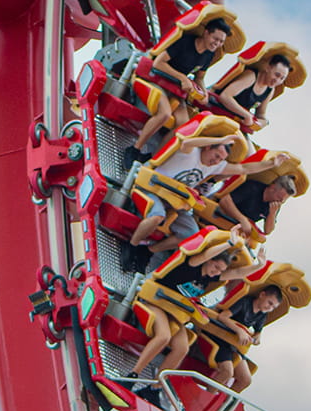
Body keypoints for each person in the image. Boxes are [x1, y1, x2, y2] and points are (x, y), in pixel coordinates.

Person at [120, 226, 267, 404]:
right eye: (216, 266)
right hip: (156, 302)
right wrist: (229, 242)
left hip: (175, 312)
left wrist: (258, 265)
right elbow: (204, 256)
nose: (217, 271)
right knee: (163, 336)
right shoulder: (193, 265)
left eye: (221, 270)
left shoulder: (210, 278)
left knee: (182, 347)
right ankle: (133, 375)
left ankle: (154, 388)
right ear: (210, 260)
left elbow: (237, 273)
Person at [122, 133, 287, 272]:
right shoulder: (190, 152)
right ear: (208, 148)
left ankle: (147, 251)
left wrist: (271, 164)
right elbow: (185, 140)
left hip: (177, 201)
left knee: (191, 235)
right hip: (154, 189)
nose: (216, 161)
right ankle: (131, 246)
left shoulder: (215, 166)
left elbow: (244, 169)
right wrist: (218, 140)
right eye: (216, 156)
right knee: (157, 216)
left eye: (220, 159)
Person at [123, 18, 232, 169]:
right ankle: (135, 149)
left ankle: (153, 160)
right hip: (157, 79)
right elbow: (158, 63)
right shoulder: (186, 42)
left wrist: (203, 91)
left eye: (221, 42)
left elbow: (200, 77)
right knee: (165, 114)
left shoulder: (208, 55)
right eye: (215, 39)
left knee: (183, 126)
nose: (217, 44)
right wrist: (182, 77)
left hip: (175, 89)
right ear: (206, 33)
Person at [208, 284, 282, 392]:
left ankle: (221, 402)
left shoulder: (262, 315)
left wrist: (256, 338)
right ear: (262, 295)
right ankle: (208, 396)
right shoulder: (245, 302)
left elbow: (258, 332)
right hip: (219, 338)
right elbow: (222, 316)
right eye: (269, 303)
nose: (269, 308)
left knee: (246, 380)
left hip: (233, 345)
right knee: (227, 372)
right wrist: (239, 330)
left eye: (273, 307)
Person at [212, 54, 292, 133]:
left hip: (235, 122)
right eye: (276, 75)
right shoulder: (251, 76)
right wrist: (246, 115)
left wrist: (264, 122)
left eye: (282, 78)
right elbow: (225, 96)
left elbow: (261, 114)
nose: (277, 80)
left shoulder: (270, 90)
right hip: (214, 109)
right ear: (268, 67)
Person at [218, 174, 296, 237]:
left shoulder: (274, 205)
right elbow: (225, 201)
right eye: (279, 197)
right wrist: (243, 219)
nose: (280, 202)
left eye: (283, 201)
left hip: (239, 231)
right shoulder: (252, 187)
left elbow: (268, 230)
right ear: (273, 187)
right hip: (222, 217)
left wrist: (272, 214)